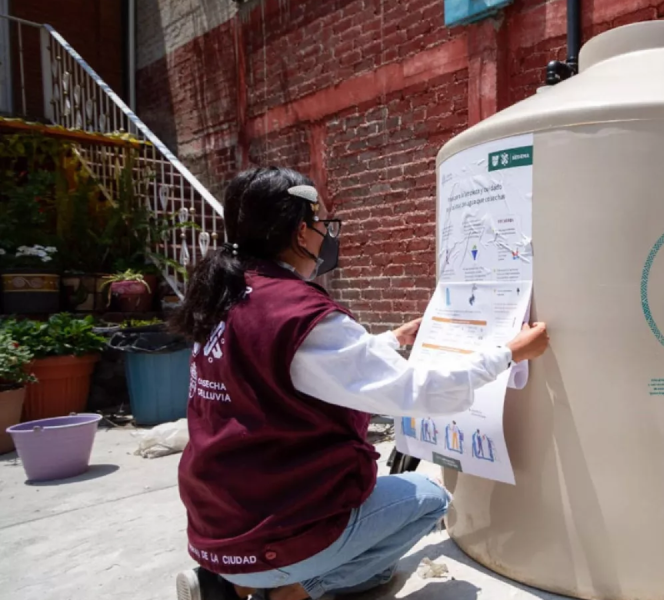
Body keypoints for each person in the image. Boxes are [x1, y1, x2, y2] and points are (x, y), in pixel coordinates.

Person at [171, 167, 549, 600]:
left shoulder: (225, 293)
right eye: (319, 225)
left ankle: (229, 584)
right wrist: (509, 354)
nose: (324, 236)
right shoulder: (296, 310)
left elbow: (282, 368)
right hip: (274, 522)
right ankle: (295, 589)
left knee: (370, 548)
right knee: (430, 500)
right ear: (300, 232)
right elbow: (414, 392)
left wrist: (389, 341)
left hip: (216, 519)